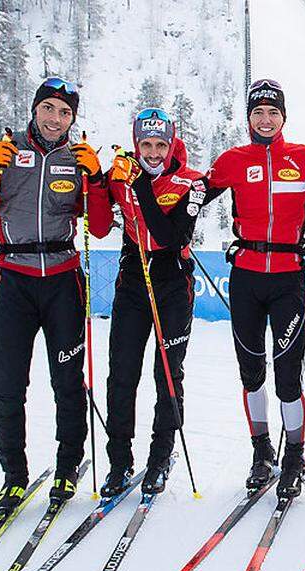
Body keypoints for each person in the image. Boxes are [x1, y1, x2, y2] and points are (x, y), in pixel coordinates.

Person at [0, 77, 109, 511]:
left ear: (73, 118)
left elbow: (98, 226)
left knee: (67, 382)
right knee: (6, 384)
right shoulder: (4, 148)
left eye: (65, 113)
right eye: (49, 108)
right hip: (15, 281)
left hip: (63, 281)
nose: (56, 119)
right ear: (35, 109)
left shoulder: (77, 157)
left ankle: (67, 468)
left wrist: (95, 181)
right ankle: (14, 476)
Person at [202, 79, 305, 499]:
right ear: (249, 118)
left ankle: (293, 454)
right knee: (252, 372)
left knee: (288, 376)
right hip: (247, 277)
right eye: (258, 112)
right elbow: (194, 194)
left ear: (284, 117)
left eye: (273, 112)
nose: (266, 119)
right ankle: (261, 451)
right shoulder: (233, 160)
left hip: (289, 277)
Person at [98, 107, 207, 497]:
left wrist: (140, 185)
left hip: (172, 284)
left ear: (172, 143)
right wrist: (98, 180)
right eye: (147, 144)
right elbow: (95, 223)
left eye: (162, 144)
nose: (155, 152)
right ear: (136, 144)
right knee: (122, 375)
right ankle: (118, 461)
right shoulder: (122, 177)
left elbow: (171, 237)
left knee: (168, 376)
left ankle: (160, 457)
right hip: (132, 282)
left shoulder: (192, 183)